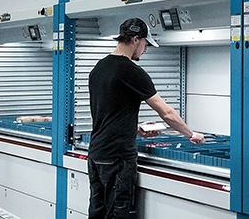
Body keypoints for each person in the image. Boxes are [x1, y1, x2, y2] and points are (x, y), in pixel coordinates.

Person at [87, 17, 205, 218]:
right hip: (118, 157)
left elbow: (106, 114)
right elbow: (166, 112)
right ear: (135, 39)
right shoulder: (131, 71)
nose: (146, 49)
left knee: (98, 211)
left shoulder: (99, 68)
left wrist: (135, 128)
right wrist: (190, 133)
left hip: (97, 154)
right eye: (145, 44)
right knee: (117, 213)